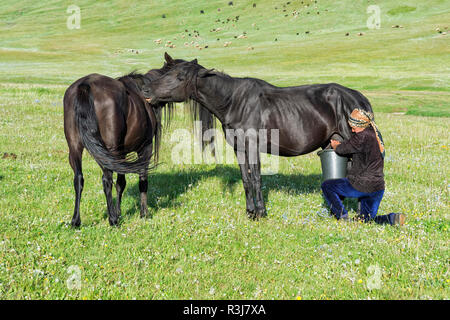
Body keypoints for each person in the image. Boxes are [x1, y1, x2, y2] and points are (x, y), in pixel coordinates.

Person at [321, 108, 405, 226]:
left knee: (327, 186)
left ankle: (342, 217)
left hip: (361, 186)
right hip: (377, 188)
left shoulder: (361, 137)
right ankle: (392, 219)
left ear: (361, 125)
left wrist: (335, 145)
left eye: (353, 126)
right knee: (365, 220)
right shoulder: (374, 133)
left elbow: (342, 149)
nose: (352, 130)